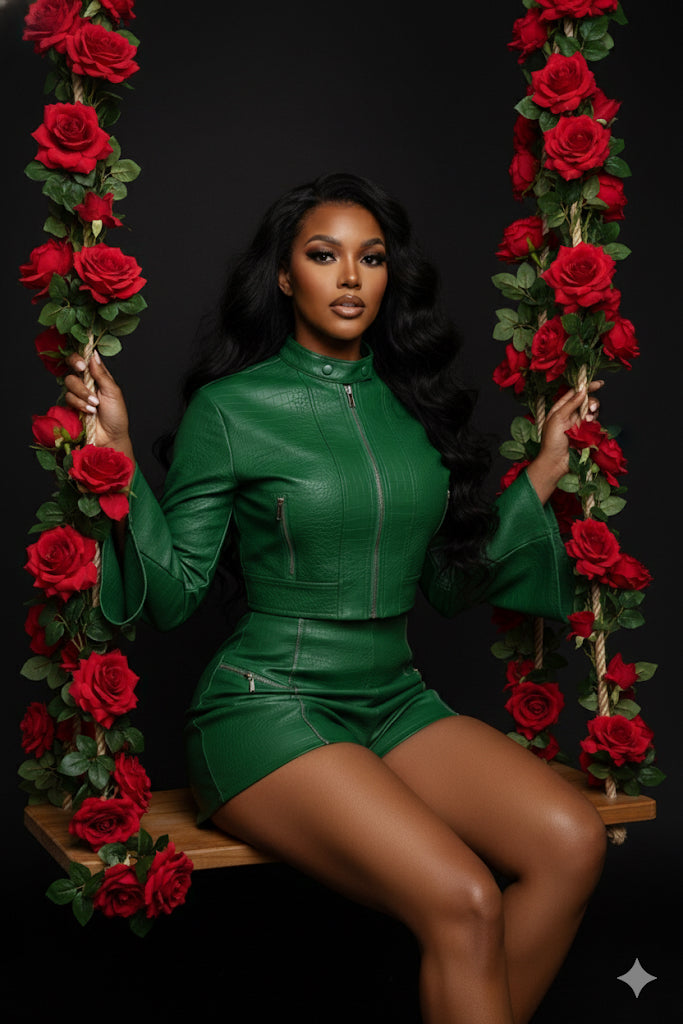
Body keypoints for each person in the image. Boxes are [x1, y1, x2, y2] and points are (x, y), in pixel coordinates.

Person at [64, 172, 607, 1024]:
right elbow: (172, 599)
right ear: (286, 277)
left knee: (571, 843)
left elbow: (445, 584)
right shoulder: (231, 409)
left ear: (391, 277)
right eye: (324, 256)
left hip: (393, 698)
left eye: (370, 258)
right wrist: (122, 459)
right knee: (465, 898)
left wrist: (538, 476)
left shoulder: (413, 408)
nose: (349, 277)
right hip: (267, 704)